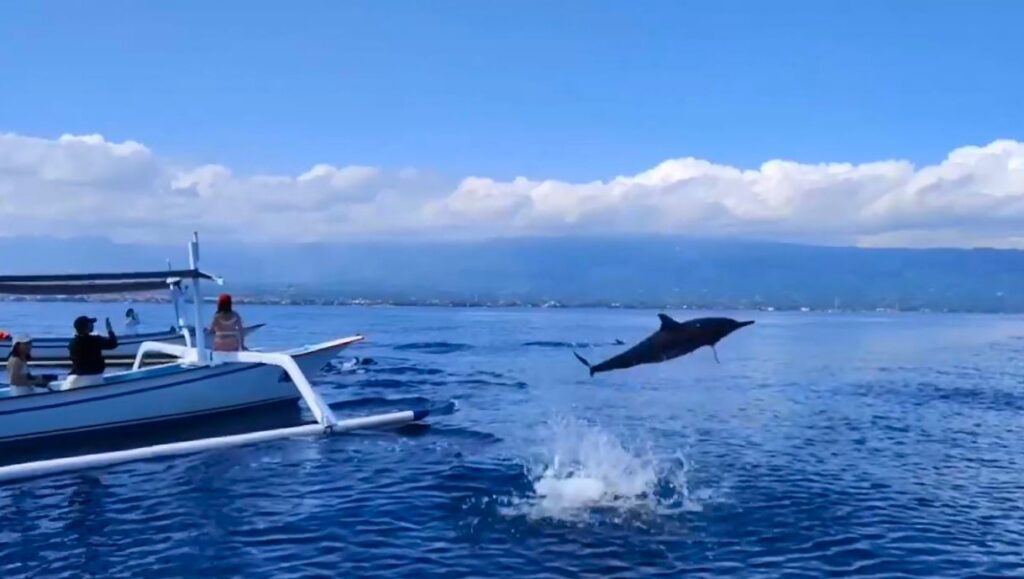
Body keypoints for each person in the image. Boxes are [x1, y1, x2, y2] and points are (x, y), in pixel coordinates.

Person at [65, 316, 118, 389]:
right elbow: (113, 344)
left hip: (75, 378)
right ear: (86, 326)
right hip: (93, 377)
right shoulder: (94, 340)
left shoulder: (72, 343)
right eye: (90, 323)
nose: (93, 325)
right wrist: (110, 330)